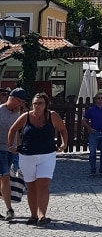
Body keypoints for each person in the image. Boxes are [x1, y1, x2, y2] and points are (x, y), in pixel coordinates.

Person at [7, 92, 68, 227]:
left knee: (43, 185)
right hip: (27, 156)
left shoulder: (52, 116)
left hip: (47, 155)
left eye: (40, 103)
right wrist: (11, 145)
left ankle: (42, 216)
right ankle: (33, 215)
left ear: (46, 104)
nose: (37, 106)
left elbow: (63, 130)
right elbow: (12, 130)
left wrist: (64, 144)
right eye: (35, 103)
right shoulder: (26, 116)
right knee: (31, 187)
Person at [0, 88, 23, 220]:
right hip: (0, 148)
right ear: (12, 98)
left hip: (11, 150)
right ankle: (10, 209)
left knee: (3, 179)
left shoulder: (18, 112)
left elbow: (17, 132)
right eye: (20, 101)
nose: (21, 104)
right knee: (5, 177)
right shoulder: (1, 110)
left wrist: (18, 148)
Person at [83, 91, 102, 176]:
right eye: (98, 98)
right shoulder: (91, 110)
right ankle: (93, 170)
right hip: (94, 133)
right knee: (92, 153)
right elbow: (84, 120)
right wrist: (89, 128)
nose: (100, 100)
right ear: (95, 100)